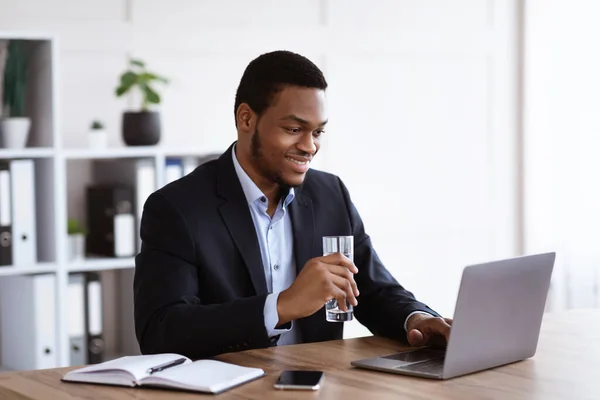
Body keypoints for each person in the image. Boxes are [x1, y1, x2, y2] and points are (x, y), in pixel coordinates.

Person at [134, 50, 452, 359]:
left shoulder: (331, 194)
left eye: (317, 132)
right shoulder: (177, 208)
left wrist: (418, 320)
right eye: (294, 129)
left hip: (322, 384)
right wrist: (282, 305)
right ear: (246, 119)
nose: (309, 146)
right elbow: (162, 332)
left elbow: (373, 291)